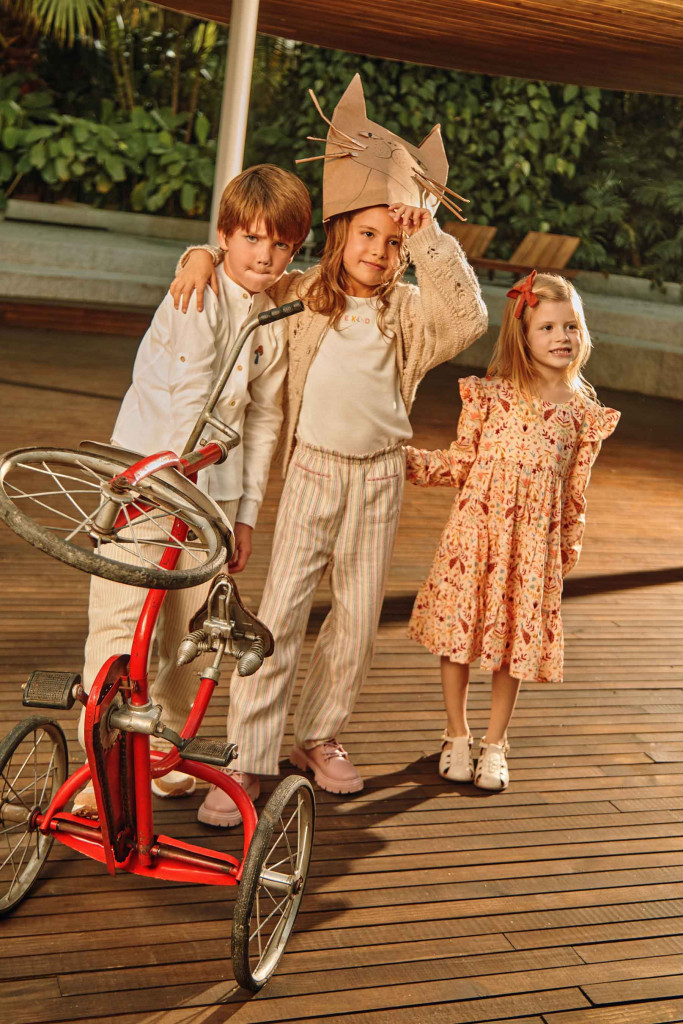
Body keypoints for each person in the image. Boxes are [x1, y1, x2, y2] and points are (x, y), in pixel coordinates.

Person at [171, 75, 488, 826]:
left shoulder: (410, 313)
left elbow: (469, 318)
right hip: (313, 469)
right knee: (280, 613)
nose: (379, 250)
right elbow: (242, 268)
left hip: (379, 477)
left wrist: (428, 236)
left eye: (392, 239)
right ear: (340, 232)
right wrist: (198, 254)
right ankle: (247, 757)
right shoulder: (300, 295)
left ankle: (317, 736)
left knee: (353, 616)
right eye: (367, 234)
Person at [74, 164, 312, 813]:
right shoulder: (197, 294)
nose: (264, 256)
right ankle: (101, 763)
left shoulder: (271, 318)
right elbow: (188, 397)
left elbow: (263, 418)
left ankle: (162, 752)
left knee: (191, 631)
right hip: (148, 483)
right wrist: (197, 256)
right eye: (251, 239)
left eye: (281, 244)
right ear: (225, 237)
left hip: (213, 496)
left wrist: (243, 516)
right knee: (121, 622)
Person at [405, 270, 620, 792]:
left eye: (571, 326)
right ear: (522, 336)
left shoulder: (583, 416)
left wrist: (564, 551)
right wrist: (403, 461)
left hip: (532, 549)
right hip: (475, 536)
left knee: (511, 646)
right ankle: (457, 734)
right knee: (458, 636)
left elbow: (574, 493)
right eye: (547, 327)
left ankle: (496, 742)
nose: (562, 337)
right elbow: (460, 463)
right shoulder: (490, 396)